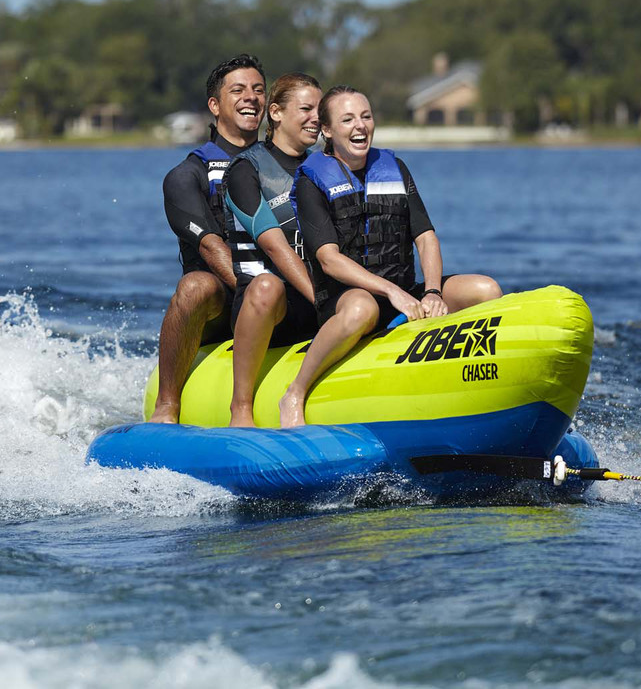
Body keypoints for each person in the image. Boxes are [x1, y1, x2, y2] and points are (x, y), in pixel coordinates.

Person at [276, 85, 502, 428]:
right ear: (327, 130)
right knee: (362, 307)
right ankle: (296, 391)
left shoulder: (394, 167)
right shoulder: (312, 180)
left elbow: (425, 238)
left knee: (485, 290)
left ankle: (484, 389)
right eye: (348, 119)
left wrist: (432, 291)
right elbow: (328, 259)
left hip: (405, 293)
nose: (360, 126)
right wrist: (390, 292)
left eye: (366, 117)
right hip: (346, 299)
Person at [148, 55, 267, 423]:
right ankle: (167, 405)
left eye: (259, 90)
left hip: (282, 290)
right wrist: (257, 299)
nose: (251, 97)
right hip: (226, 300)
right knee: (196, 285)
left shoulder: (288, 166)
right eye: (238, 90)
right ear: (215, 106)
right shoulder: (188, 174)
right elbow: (209, 247)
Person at [221, 73, 323, 427]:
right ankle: (240, 408)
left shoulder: (325, 167)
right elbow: (276, 247)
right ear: (276, 113)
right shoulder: (245, 170)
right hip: (269, 310)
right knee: (268, 285)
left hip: (319, 302)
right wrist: (325, 301)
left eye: (320, 110)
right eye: (306, 109)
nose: (316, 118)